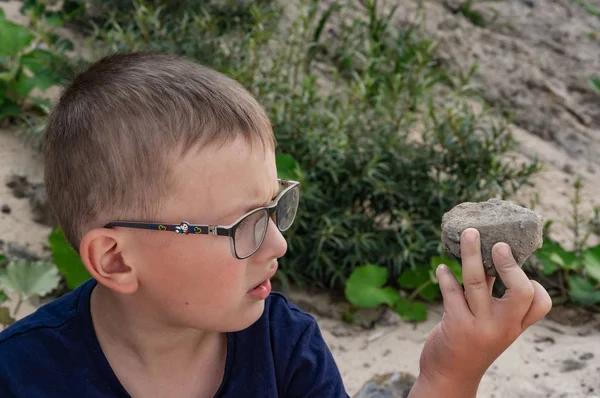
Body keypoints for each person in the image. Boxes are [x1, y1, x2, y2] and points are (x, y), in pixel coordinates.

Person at [0, 52, 552, 398]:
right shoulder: (20, 374)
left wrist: (449, 376)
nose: (280, 243)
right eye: (245, 223)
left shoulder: (283, 345)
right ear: (116, 260)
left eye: (274, 208)